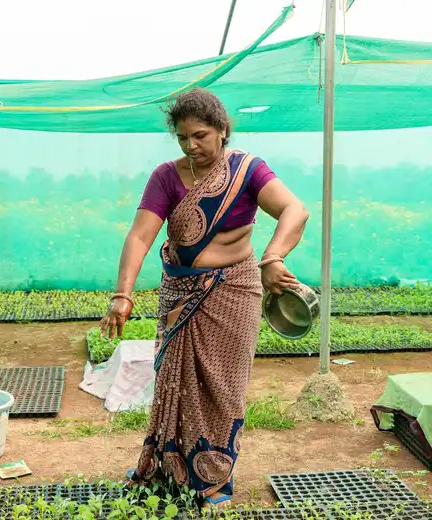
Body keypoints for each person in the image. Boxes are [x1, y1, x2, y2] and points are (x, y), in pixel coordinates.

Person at [98, 87, 309, 507]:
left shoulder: (248, 171)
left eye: (200, 136)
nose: (192, 146)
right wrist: (123, 293)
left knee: (224, 386)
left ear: (221, 130)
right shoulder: (166, 177)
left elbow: (294, 210)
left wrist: (273, 257)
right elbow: (141, 235)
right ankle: (169, 466)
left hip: (235, 291)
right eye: (182, 138)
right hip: (180, 292)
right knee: (174, 384)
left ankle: (212, 475)